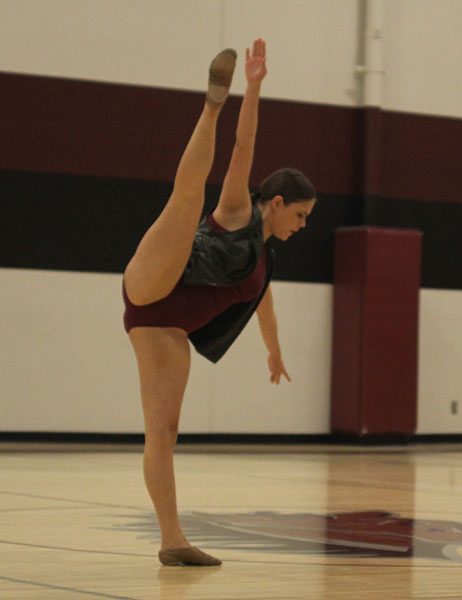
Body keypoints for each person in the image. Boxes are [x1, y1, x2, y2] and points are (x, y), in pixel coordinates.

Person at [122, 39, 317, 566]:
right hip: (156, 279)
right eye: (300, 215)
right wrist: (250, 89)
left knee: (163, 434)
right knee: (187, 201)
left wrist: (274, 353)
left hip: (164, 328)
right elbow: (243, 149)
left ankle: (172, 542)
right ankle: (210, 104)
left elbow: (264, 306)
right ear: (276, 203)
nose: (303, 226)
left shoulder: (263, 263)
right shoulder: (239, 211)